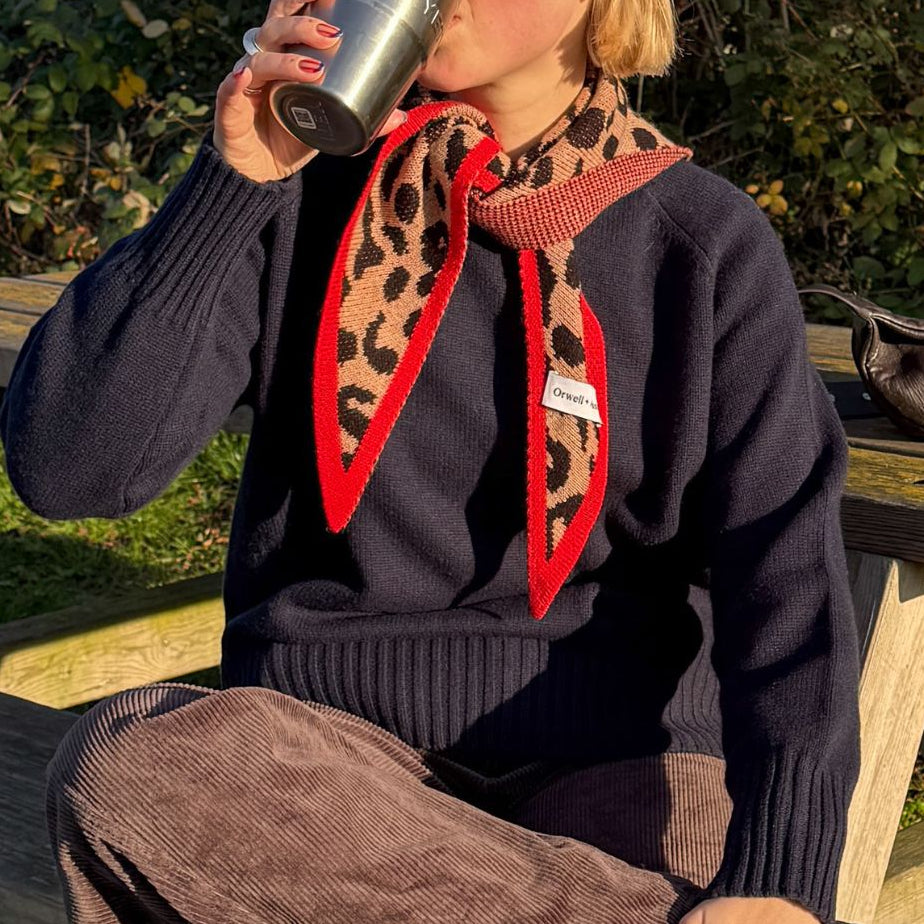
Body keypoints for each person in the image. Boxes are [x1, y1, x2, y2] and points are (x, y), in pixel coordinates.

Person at [0, 0, 862, 922]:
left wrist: (780, 884)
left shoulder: (702, 245)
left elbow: (788, 578)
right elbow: (71, 468)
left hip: (630, 760)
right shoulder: (297, 190)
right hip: (320, 763)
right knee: (134, 767)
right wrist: (231, 182)